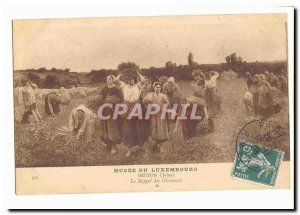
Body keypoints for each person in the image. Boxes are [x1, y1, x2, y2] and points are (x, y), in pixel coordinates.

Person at [115, 69, 147, 157]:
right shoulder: (124, 85)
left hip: (136, 106)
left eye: (132, 79)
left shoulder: (138, 85)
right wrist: (121, 73)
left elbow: (143, 80)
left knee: (138, 127)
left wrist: (137, 73)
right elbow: (116, 80)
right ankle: (129, 149)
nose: (130, 81)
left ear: (135, 79)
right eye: (129, 79)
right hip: (126, 106)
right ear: (127, 80)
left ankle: (140, 147)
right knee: (127, 128)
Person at [99, 75, 124, 155]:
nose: (108, 80)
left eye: (110, 78)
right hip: (105, 111)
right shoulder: (104, 89)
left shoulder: (117, 89)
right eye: (107, 79)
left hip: (113, 111)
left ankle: (113, 145)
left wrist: (114, 101)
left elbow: (121, 100)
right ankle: (108, 144)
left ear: (113, 80)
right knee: (105, 126)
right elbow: (100, 98)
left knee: (112, 127)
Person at [143, 82, 170, 153]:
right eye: (156, 87)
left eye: (159, 87)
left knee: (161, 129)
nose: (158, 89)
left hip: (161, 115)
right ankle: (155, 143)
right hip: (153, 115)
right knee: (154, 129)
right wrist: (148, 107)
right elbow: (144, 102)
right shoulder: (150, 95)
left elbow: (167, 104)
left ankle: (160, 146)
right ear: (154, 88)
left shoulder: (163, 96)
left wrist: (161, 107)